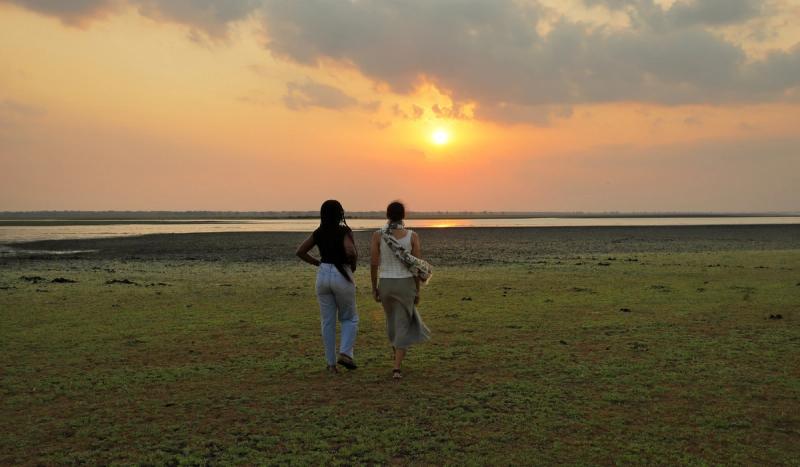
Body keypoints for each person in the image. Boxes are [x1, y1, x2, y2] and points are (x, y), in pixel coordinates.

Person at [296, 200, 359, 373]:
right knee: (349, 318)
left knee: (328, 322)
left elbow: (300, 251)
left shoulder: (319, 232)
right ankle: (345, 353)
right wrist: (352, 265)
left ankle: (331, 364)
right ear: (340, 213)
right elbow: (351, 251)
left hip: (323, 275)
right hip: (342, 274)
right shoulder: (344, 231)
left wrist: (318, 263)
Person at [370, 201, 431, 379]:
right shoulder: (412, 236)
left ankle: (396, 352)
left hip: (386, 283)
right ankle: (397, 368)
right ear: (403, 215)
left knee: (392, 321)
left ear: (387, 215)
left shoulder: (377, 235)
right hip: (405, 284)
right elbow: (416, 267)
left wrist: (375, 287)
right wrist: (417, 290)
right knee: (402, 323)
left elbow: (374, 264)